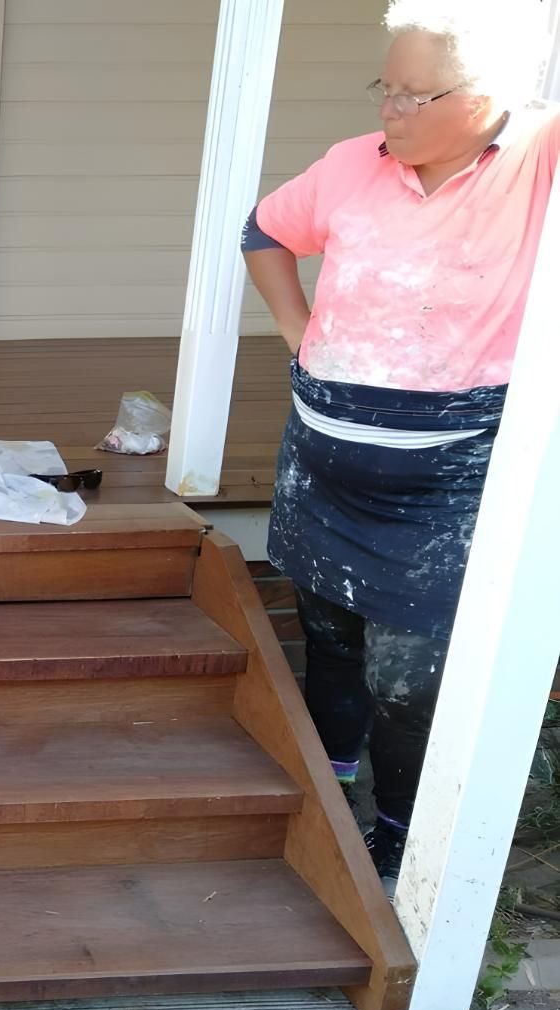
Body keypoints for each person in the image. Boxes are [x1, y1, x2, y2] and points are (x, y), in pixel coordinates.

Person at [243, 0, 559, 888]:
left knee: (409, 681)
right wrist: (296, 328)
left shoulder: (539, 160)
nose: (391, 110)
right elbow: (264, 231)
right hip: (321, 462)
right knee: (329, 641)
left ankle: (398, 837)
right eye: (385, 87)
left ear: (489, 96)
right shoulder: (353, 162)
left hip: (445, 479)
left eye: (416, 95)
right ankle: (329, 793)